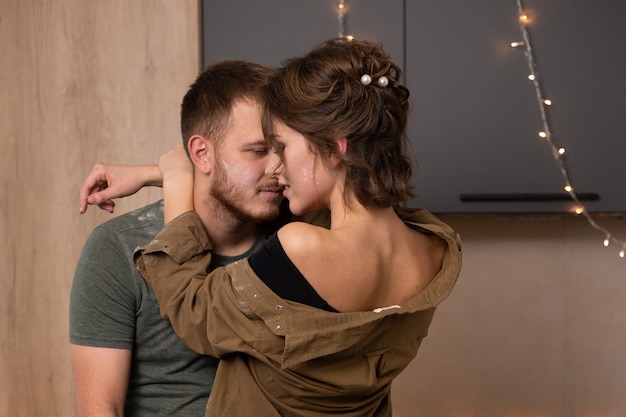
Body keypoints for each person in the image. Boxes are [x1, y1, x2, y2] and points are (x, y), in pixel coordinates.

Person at [132, 38, 462, 416]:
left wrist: (176, 177)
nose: (275, 167)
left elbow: (194, 311)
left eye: (282, 147)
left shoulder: (303, 247)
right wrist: (147, 173)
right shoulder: (435, 249)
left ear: (336, 148)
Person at [69, 60, 288, 417]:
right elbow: (99, 409)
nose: (277, 169)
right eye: (259, 151)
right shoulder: (117, 248)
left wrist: (158, 172)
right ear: (201, 153)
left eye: (283, 149)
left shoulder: (298, 240)